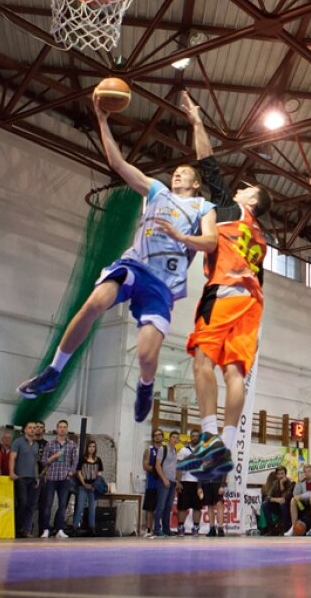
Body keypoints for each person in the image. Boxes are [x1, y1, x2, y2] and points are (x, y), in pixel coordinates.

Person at [17, 96, 217, 423]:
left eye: (183, 173)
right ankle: (54, 371)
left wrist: (182, 238)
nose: (176, 175)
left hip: (162, 287)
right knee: (95, 302)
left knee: (146, 355)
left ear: (195, 183)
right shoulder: (157, 192)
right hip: (134, 266)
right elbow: (118, 163)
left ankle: (145, 383)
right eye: (176, 172)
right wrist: (102, 119)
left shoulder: (202, 208)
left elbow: (210, 242)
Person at [177, 93, 271, 480]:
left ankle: (209, 438)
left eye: (246, 187)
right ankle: (228, 445)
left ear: (251, 198)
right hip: (252, 302)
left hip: (225, 291)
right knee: (234, 371)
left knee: (201, 359)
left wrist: (197, 123)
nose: (240, 187)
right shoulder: (262, 237)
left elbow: (207, 164)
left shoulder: (230, 211)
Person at [39, 420, 77, 538]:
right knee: (48, 504)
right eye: (60, 427)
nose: (62, 429)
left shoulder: (71, 444)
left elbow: (75, 461)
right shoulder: (50, 444)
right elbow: (44, 461)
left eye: (64, 427)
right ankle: (46, 529)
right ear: (57, 429)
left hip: (64, 478)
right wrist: (54, 456)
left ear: (67, 429)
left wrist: (70, 473)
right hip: (51, 477)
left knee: (62, 505)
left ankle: (60, 529)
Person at [9, 424, 41, 538]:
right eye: (30, 428)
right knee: (22, 503)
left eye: (34, 428)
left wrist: (36, 477)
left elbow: (35, 462)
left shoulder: (36, 445)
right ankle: (15, 528)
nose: (32, 429)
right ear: (25, 430)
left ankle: (24, 529)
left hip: (32, 478)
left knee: (30, 505)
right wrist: (12, 472)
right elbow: (12, 457)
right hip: (21, 477)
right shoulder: (18, 442)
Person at [74, 439, 104, 534]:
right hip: (83, 486)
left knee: (92, 508)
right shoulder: (82, 459)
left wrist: (94, 485)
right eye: (90, 446)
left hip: (93, 487)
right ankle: (75, 527)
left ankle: (92, 527)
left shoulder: (98, 460)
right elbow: (78, 472)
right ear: (87, 448)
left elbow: (99, 474)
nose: (92, 448)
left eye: (93, 447)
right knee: (80, 507)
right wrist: (84, 483)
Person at [289, 464, 311, 536]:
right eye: (306, 472)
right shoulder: (301, 482)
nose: (307, 473)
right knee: (293, 500)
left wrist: (301, 496)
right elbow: (295, 494)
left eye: (309, 471)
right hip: (303, 504)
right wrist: (299, 482)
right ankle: (293, 526)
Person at [260, 466, 293, 535]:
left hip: (287, 508)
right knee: (264, 504)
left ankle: (286, 529)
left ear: (285, 474)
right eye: (279, 474)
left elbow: (284, 498)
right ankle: (271, 529)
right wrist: (276, 499)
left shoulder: (290, 483)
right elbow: (267, 497)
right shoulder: (275, 483)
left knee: (283, 504)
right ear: (276, 475)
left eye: (282, 474)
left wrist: (281, 484)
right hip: (277, 507)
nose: (280, 476)